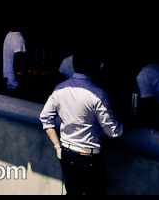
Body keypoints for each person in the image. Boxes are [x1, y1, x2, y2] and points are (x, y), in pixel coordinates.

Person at [39, 51, 124, 196]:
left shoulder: (60, 89)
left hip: (66, 153)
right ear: (93, 67)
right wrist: (125, 125)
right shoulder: (98, 94)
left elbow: (45, 118)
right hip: (88, 157)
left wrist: (57, 146)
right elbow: (113, 132)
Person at [2, 26, 27, 92]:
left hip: (7, 79)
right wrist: (20, 74)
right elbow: (18, 59)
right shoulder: (18, 38)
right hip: (14, 82)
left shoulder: (8, 35)